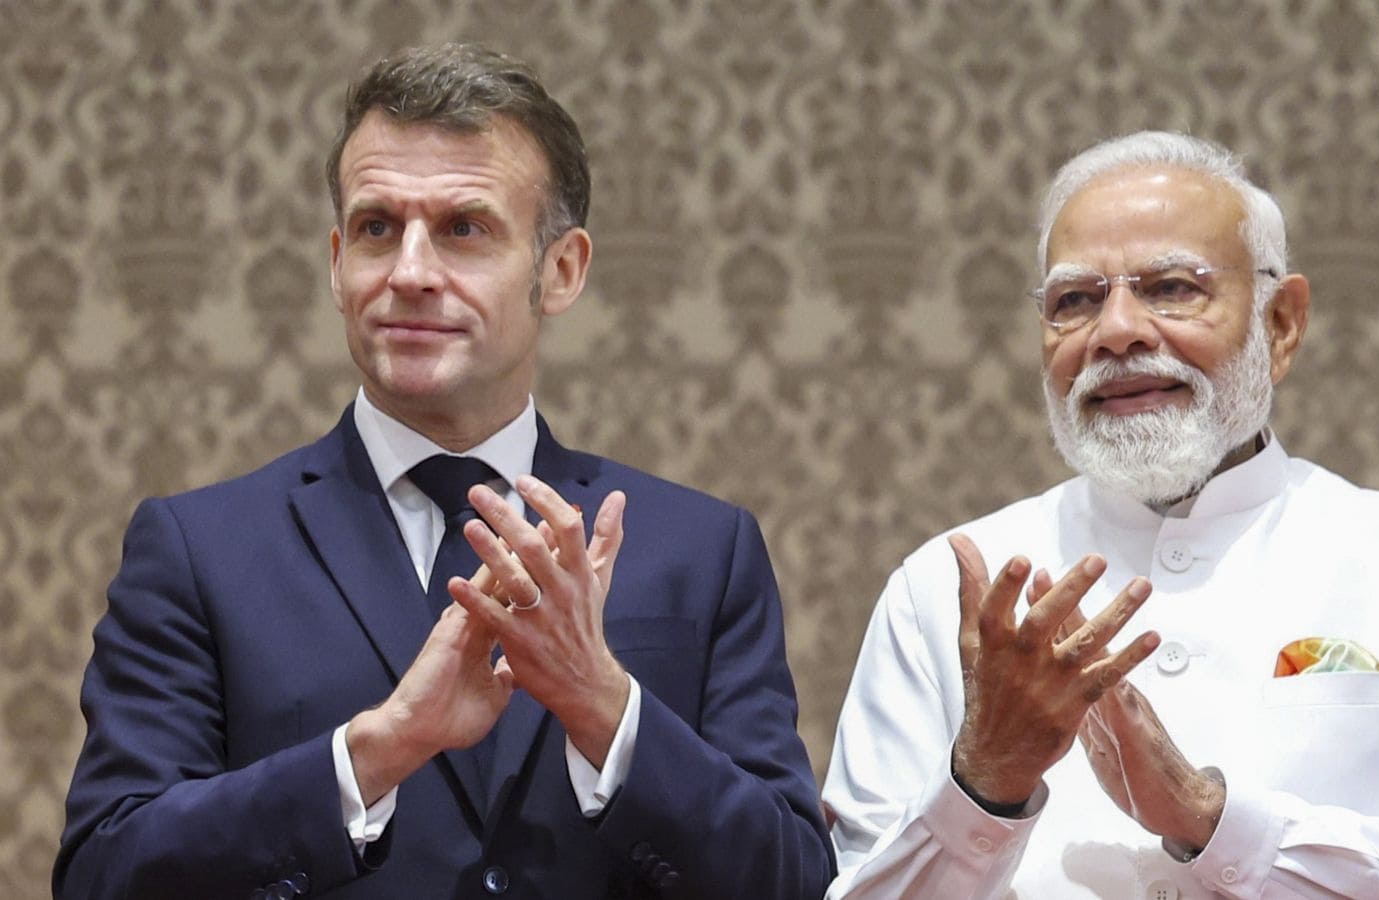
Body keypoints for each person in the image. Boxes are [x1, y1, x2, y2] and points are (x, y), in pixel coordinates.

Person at [55, 43, 833, 899]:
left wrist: (603, 706)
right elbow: (103, 871)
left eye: (464, 229)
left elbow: (793, 879)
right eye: (376, 228)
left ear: (561, 270)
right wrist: (376, 751)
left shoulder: (700, 550)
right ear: (335, 263)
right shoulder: (201, 550)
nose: (411, 272)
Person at [821, 131, 1379, 898]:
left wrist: (1215, 821)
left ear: (1280, 325)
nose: (1116, 331)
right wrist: (986, 781)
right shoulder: (944, 589)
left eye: (1173, 288)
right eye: (1075, 300)